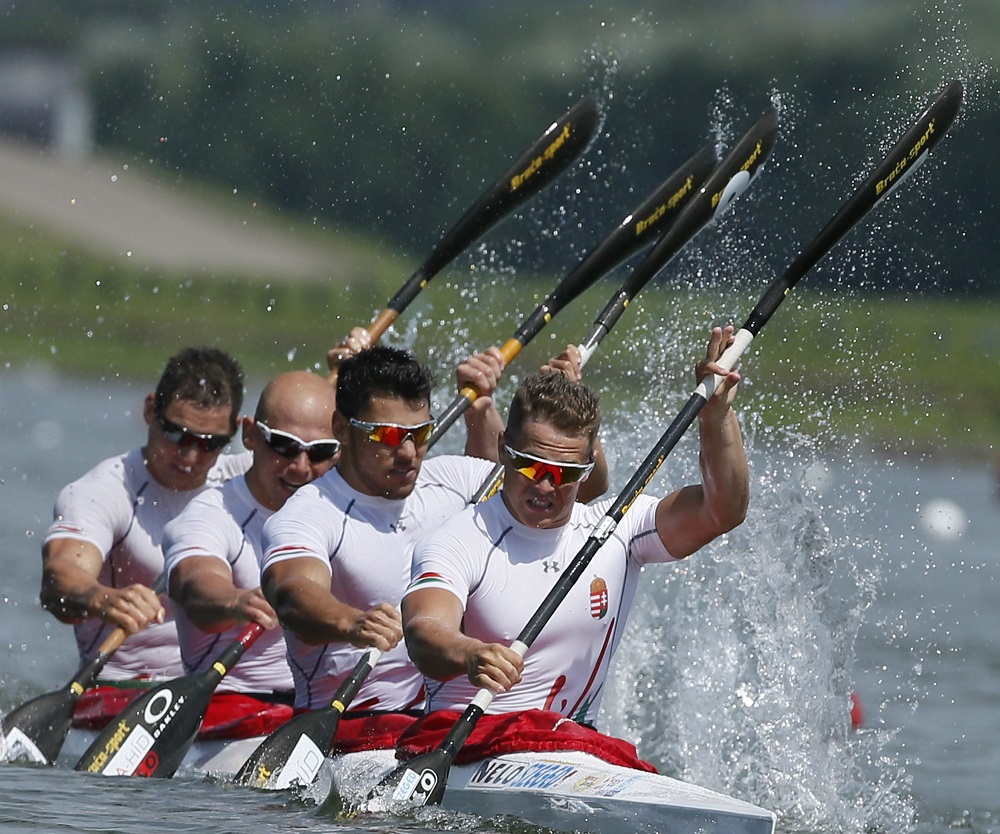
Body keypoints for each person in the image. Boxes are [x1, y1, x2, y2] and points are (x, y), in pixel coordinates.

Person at [401, 326, 749, 734]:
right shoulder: (461, 538)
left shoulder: (615, 530)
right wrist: (471, 653)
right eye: (531, 466)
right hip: (465, 742)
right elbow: (425, 630)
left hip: (573, 750)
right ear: (502, 450)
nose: (546, 486)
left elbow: (721, 511)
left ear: (587, 471)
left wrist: (717, 416)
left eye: (565, 474)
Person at [40, 346, 248, 682]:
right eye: (177, 435)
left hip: (226, 691)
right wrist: (104, 599)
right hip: (123, 689)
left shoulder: (246, 480)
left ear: (237, 431)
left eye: (209, 443)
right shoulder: (105, 491)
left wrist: (347, 378)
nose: (190, 456)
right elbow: (59, 578)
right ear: (151, 410)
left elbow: (328, 453)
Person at [161, 370, 340, 705]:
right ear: (250, 436)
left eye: (319, 452)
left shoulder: (350, 509)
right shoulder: (210, 515)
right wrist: (237, 602)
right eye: (285, 447)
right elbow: (194, 583)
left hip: (331, 707)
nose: (301, 467)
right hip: (236, 708)